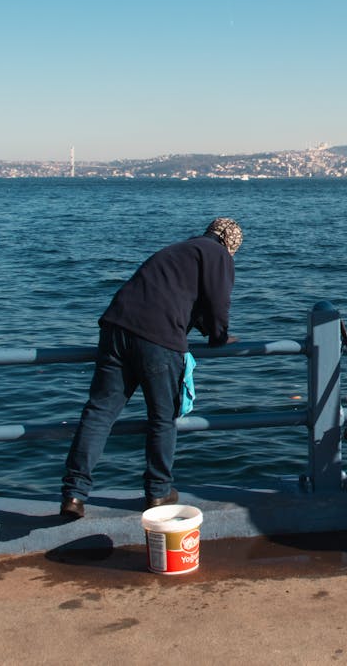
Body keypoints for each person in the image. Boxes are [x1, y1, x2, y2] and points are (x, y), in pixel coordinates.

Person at [60, 217, 242, 519]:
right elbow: (218, 302)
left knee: (100, 412)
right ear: (229, 244)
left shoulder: (180, 250)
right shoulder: (218, 254)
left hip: (115, 326)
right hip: (157, 338)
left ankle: (74, 493)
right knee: (162, 417)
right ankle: (158, 491)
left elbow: (175, 299)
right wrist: (219, 337)